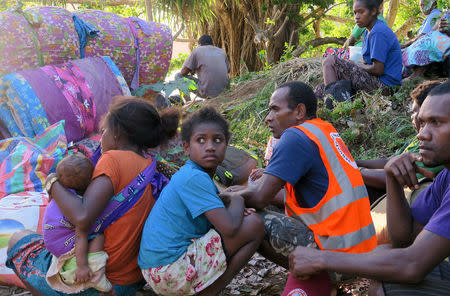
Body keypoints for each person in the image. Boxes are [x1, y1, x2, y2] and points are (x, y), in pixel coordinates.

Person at [289, 81, 450, 295]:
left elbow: (413, 266)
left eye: (436, 123)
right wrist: (392, 180)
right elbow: (403, 238)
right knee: (383, 252)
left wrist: (321, 258)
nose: (422, 134)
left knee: (392, 284)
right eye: (423, 123)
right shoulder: (446, 176)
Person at [6, 96, 171, 296]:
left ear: (117, 132)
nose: (102, 136)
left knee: (18, 240)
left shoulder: (113, 160)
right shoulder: (149, 166)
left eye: (105, 131)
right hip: (132, 278)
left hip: (103, 282)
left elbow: (82, 217)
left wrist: (52, 182)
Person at [227, 81, 376, 293]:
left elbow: (260, 197)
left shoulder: (295, 136)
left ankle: (210, 288)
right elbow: (291, 196)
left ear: (299, 111)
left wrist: (230, 196)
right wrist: (242, 193)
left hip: (336, 255)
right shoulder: (324, 130)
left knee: (251, 218)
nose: (268, 117)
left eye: (275, 109)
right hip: (361, 252)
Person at [138, 107, 264, 295]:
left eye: (218, 140)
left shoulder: (195, 175)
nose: (210, 146)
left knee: (245, 221)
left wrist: (231, 206)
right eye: (201, 140)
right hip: (168, 269)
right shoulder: (193, 177)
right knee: (254, 225)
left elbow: (220, 215)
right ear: (186, 147)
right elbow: (229, 228)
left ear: (226, 146)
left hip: (159, 268)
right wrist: (238, 199)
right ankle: (209, 292)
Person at [357, 80, 444, 203]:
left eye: (414, 111)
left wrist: (354, 171)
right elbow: (390, 162)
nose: (412, 116)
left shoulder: (435, 148)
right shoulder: (417, 139)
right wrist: (355, 163)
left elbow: (394, 177)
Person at [42, 153, 113, 293]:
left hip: (51, 240)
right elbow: (80, 235)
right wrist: (82, 266)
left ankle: (67, 263)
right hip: (65, 244)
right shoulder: (78, 204)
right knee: (98, 237)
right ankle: (95, 275)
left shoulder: (59, 191)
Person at [319, 0, 402, 100]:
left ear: (373, 11)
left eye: (361, 12)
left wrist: (356, 66)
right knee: (319, 90)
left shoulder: (378, 31)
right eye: (355, 13)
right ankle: (338, 101)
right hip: (376, 81)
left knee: (330, 61)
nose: (356, 17)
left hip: (386, 87)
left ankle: (334, 106)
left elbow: (378, 69)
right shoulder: (369, 32)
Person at [180, 34, 230, 99]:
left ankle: (188, 103)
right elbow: (228, 70)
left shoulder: (197, 50)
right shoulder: (221, 51)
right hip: (224, 91)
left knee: (178, 76)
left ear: (200, 44)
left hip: (206, 92)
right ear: (212, 44)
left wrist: (193, 69)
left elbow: (183, 72)